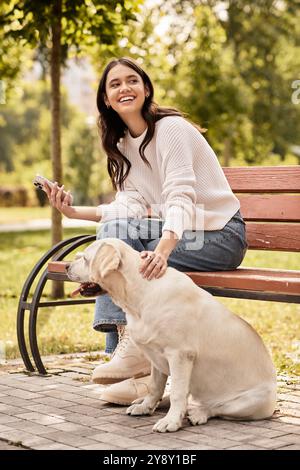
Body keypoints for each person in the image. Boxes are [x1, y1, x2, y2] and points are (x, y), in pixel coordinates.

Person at [45, 56, 248, 405]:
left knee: (124, 255)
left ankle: (130, 353)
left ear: (146, 87)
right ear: (106, 100)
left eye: (132, 80)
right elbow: (128, 208)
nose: (125, 87)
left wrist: (163, 250)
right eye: (115, 84)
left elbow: (180, 195)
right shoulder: (124, 145)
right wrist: (72, 210)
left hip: (220, 236)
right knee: (117, 231)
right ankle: (135, 367)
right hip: (184, 235)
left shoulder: (170, 129)